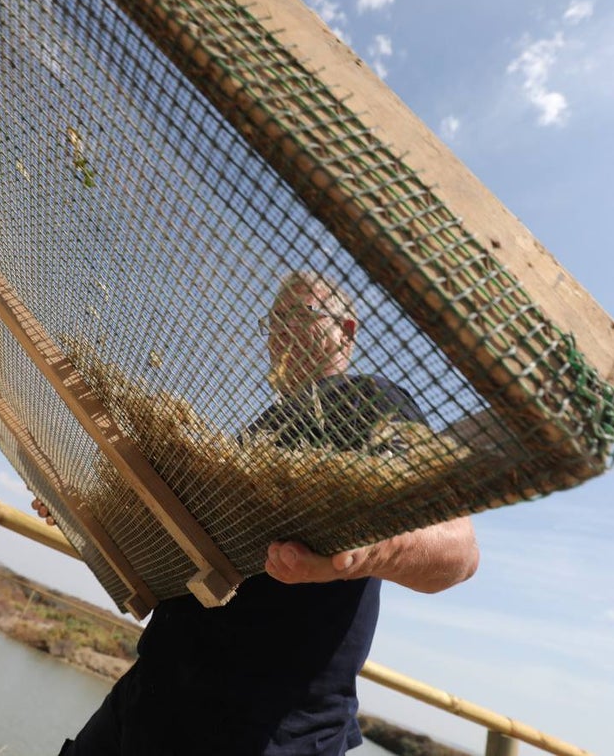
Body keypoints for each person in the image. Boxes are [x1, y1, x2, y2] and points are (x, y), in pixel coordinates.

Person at [38, 271, 478, 755]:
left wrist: (366, 552)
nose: (281, 332)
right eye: (274, 321)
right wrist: (93, 517)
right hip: (153, 692)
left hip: (264, 729)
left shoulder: (369, 404)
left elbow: (459, 553)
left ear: (346, 332)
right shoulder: (255, 438)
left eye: (301, 315)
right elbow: (180, 552)